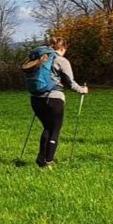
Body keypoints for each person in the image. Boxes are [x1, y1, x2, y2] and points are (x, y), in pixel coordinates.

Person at [28, 35, 88, 168]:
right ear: (63, 48)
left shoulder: (41, 58)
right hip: (54, 99)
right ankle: (48, 162)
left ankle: (41, 158)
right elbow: (70, 82)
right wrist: (82, 90)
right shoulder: (61, 60)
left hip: (36, 98)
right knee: (55, 129)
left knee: (47, 128)